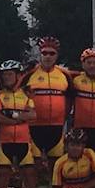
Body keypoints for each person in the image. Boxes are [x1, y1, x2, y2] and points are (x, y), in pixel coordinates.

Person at [23, 36, 71, 168]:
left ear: (57, 56)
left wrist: (65, 115)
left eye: (52, 53)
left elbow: (71, 96)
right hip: (34, 128)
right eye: (44, 53)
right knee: (33, 169)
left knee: (55, 169)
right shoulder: (29, 74)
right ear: (40, 54)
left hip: (57, 127)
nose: (48, 56)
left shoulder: (65, 74)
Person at [0, 59, 38, 188]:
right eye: (4, 74)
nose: (6, 77)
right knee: (2, 178)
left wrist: (11, 114)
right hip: (5, 142)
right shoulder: (0, 95)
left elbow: (32, 115)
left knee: (29, 177)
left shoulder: (25, 95)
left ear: (18, 76)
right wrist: (18, 120)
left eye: (10, 74)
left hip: (23, 141)